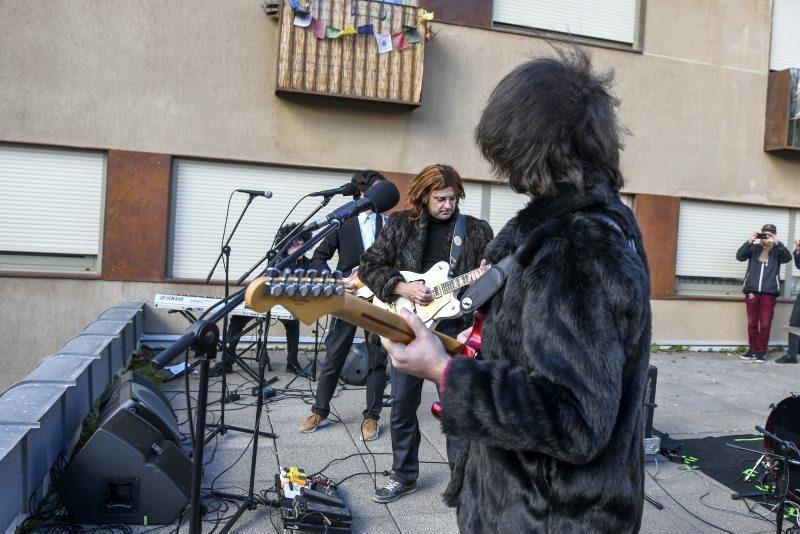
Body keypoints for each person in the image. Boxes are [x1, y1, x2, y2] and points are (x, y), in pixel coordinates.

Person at [380, 50, 652, 532]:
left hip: (549, 518)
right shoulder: (579, 226)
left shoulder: (575, 246)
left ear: (528, 144)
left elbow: (576, 420)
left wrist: (445, 372)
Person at [358, 164, 494, 503]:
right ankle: (403, 475)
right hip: (408, 329)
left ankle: (463, 484)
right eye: (440, 199)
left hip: (455, 333)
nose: (448, 205)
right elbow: (369, 266)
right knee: (402, 405)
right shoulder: (402, 225)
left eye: (453, 198)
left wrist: (483, 282)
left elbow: (495, 282)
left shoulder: (476, 231)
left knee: (458, 410)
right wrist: (401, 286)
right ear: (424, 195)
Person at [297, 170, 390, 442]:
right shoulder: (343, 223)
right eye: (379, 190)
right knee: (334, 356)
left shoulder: (391, 225)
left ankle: (371, 417)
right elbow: (318, 258)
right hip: (347, 298)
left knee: (377, 361)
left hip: (381, 300)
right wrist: (337, 279)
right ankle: (319, 411)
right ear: (362, 193)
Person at [210, 222, 312, 376]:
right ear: (286, 243)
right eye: (294, 244)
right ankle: (226, 362)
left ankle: (292, 363)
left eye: (301, 245)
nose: (298, 248)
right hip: (265, 297)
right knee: (237, 319)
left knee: (293, 324)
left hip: (286, 302)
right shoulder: (277, 257)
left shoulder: (307, 263)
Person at [736, 224, 791, 363]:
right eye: (765, 234)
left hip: (769, 292)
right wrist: (750, 241)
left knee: (765, 324)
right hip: (752, 291)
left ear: (774, 235)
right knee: (752, 323)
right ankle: (752, 350)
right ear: (761, 234)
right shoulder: (754, 249)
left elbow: (788, 258)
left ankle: (761, 352)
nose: (767, 236)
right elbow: (740, 256)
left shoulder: (777, 251)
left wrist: (777, 243)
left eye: (770, 234)